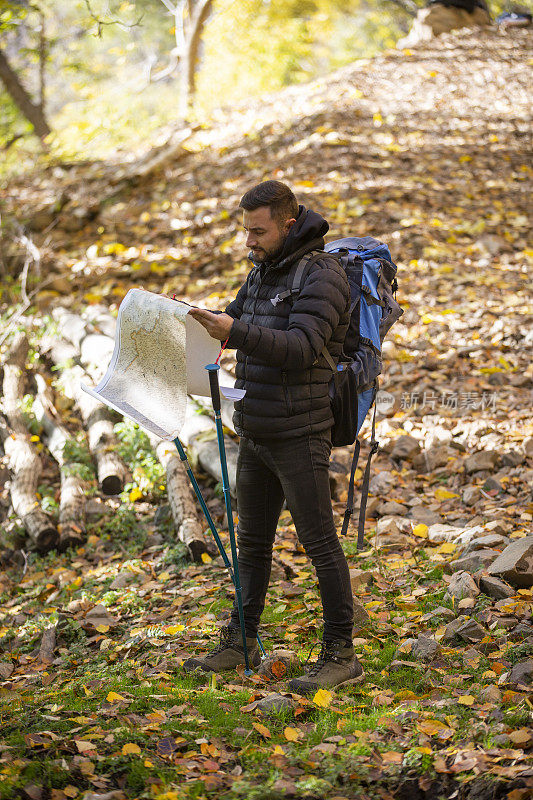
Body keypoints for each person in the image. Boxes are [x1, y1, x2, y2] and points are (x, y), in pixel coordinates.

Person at [184, 180, 364, 694]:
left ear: (288, 224)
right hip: (256, 430)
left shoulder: (323, 275)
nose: (249, 242)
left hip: (300, 432)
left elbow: (302, 347)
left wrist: (231, 333)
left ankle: (340, 653)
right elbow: (237, 317)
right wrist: (196, 318)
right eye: (245, 232)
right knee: (253, 543)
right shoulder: (263, 270)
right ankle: (241, 639)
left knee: (320, 545)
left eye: (257, 231)